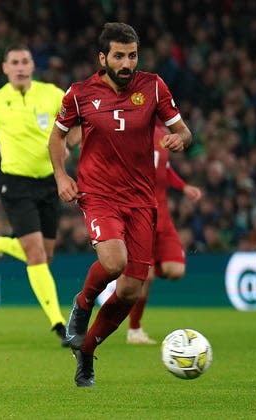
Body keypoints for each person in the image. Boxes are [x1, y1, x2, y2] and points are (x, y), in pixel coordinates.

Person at [48, 23, 192, 387]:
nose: (127, 63)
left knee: (130, 290)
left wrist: (180, 139)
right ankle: (82, 304)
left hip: (142, 200)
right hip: (98, 194)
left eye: (132, 55)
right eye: (119, 56)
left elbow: (184, 130)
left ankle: (87, 352)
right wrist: (62, 177)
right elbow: (57, 137)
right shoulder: (80, 94)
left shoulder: (154, 86)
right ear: (103, 58)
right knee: (114, 262)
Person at [0, 44, 80, 347]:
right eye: (14, 62)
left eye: (25, 61)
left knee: (47, 254)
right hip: (16, 185)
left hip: (48, 183)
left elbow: (78, 121)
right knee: (36, 256)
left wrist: (69, 141)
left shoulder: (53, 94)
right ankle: (59, 324)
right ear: (4, 68)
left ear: (33, 66)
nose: (20, 66)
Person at [95, 121, 203, 344]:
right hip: (141, 217)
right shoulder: (129, 132)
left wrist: (184, 187)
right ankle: (134, 329)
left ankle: (136, 276)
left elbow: (164, 168)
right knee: (148, 276)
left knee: (176, 270)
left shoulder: (163, 136)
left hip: (164, 219)